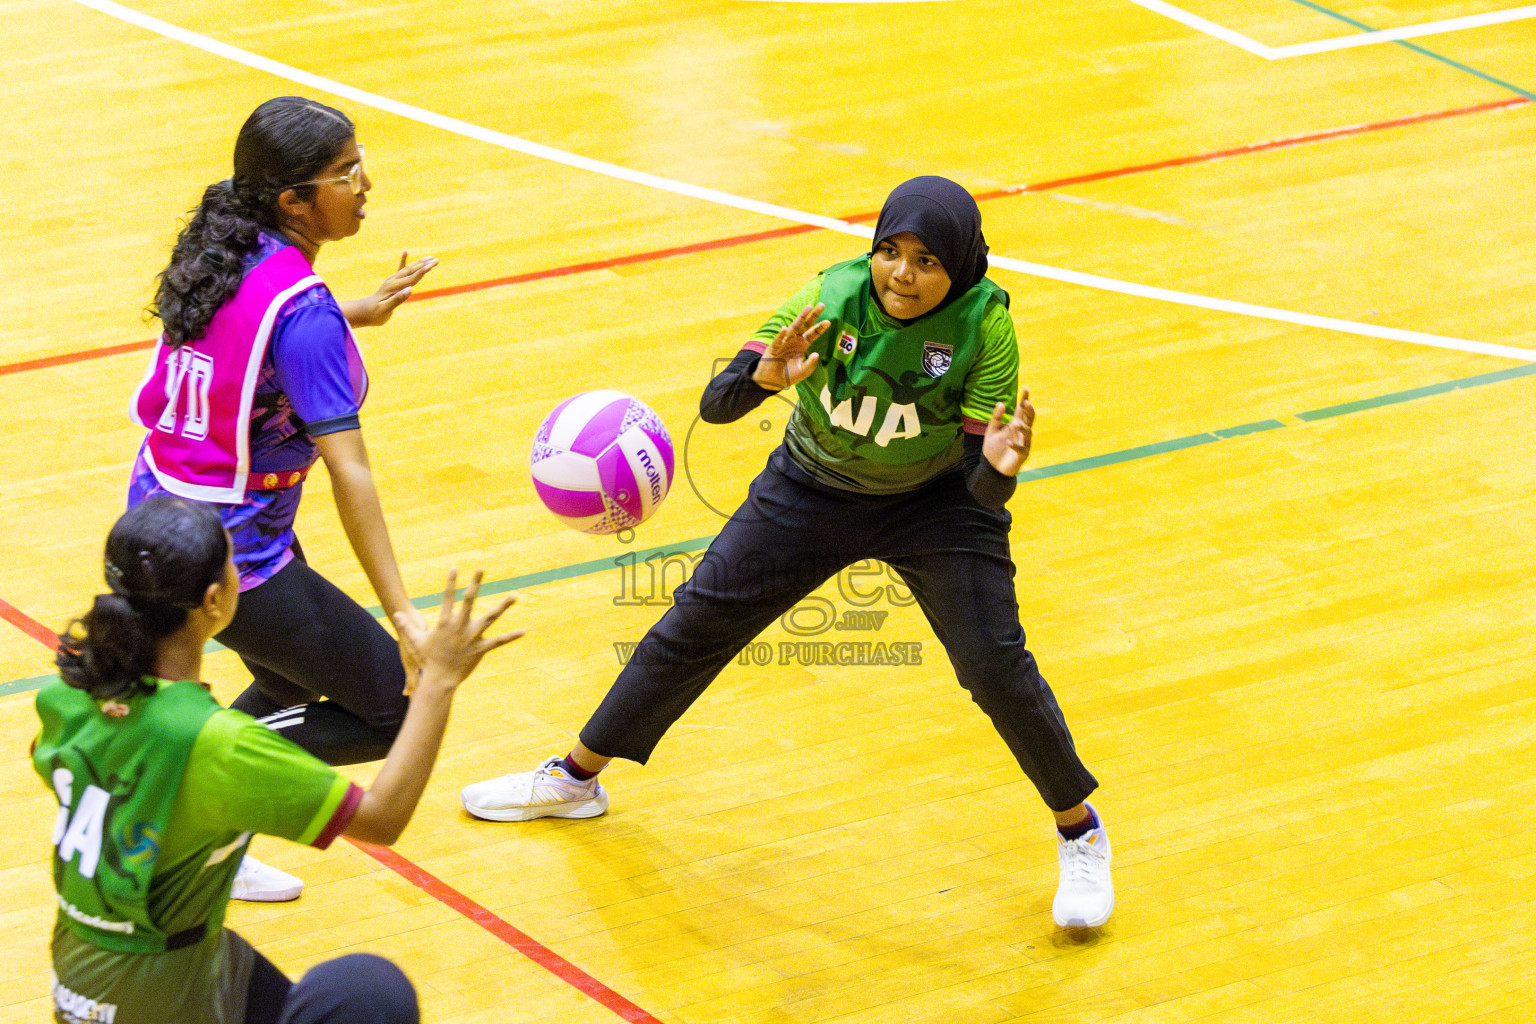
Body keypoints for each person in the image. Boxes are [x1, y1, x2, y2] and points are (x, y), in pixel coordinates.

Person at [461, 176, 1115, 928]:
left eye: (927, 261)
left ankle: (1080, 830)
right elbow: (717, 406)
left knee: (994, 665)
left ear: (960, 266)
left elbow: (982, 491)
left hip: (936, 504)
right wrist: (766, 377)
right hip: (813, 484)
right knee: (694, 624)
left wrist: (998, 469)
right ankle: (576, 779)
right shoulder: (832, 296)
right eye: (890, 252)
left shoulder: (985, 326)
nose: (903, 274)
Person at [37, 495, 521, 1023]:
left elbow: (63, 763)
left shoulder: (67, 694)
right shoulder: (218, 744)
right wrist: (438, 682)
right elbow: (383, 818)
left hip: (83, 969)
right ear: (214, 600)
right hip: (152, 996)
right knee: (371, 994)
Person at [128, 96, 436, 900]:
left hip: (160, 510)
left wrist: (354, 312)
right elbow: (351, 472)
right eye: (346, 173)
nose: (365, 185)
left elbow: (247, 338)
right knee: (395, 711)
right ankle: (196, 792)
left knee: (291, 682)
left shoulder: (224, 245)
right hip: (229, 551)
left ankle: (202, 818)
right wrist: (403, 612)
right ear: (294, 200)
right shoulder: (302, 314)